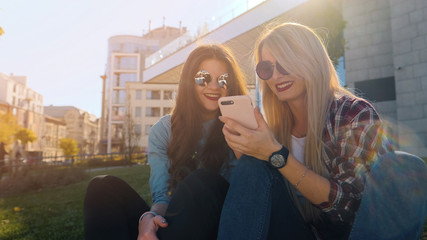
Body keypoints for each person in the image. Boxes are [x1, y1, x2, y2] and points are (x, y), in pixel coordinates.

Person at [217, 22, 427, 240]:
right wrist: (249, 155)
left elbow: (348, 207)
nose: (276, 75)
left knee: (405, 164)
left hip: (348, 234)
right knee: (245, 170)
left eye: (286, 62)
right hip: (299, 232)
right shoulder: (271, 129)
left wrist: (276, 155)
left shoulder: (351, 113)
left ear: (311, 60)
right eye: (266, 68)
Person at [84, 43, 248, 239]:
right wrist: (149, 218)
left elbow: (247, 195)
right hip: (173, 222)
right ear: (189, 81)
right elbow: (162, 195)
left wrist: (245, 147)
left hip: (220, 224)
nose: (213, 86)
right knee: (102, 187)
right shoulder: (163, 131)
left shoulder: (242, 127)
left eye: (223, 79)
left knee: (204, 181)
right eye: (203, 78)